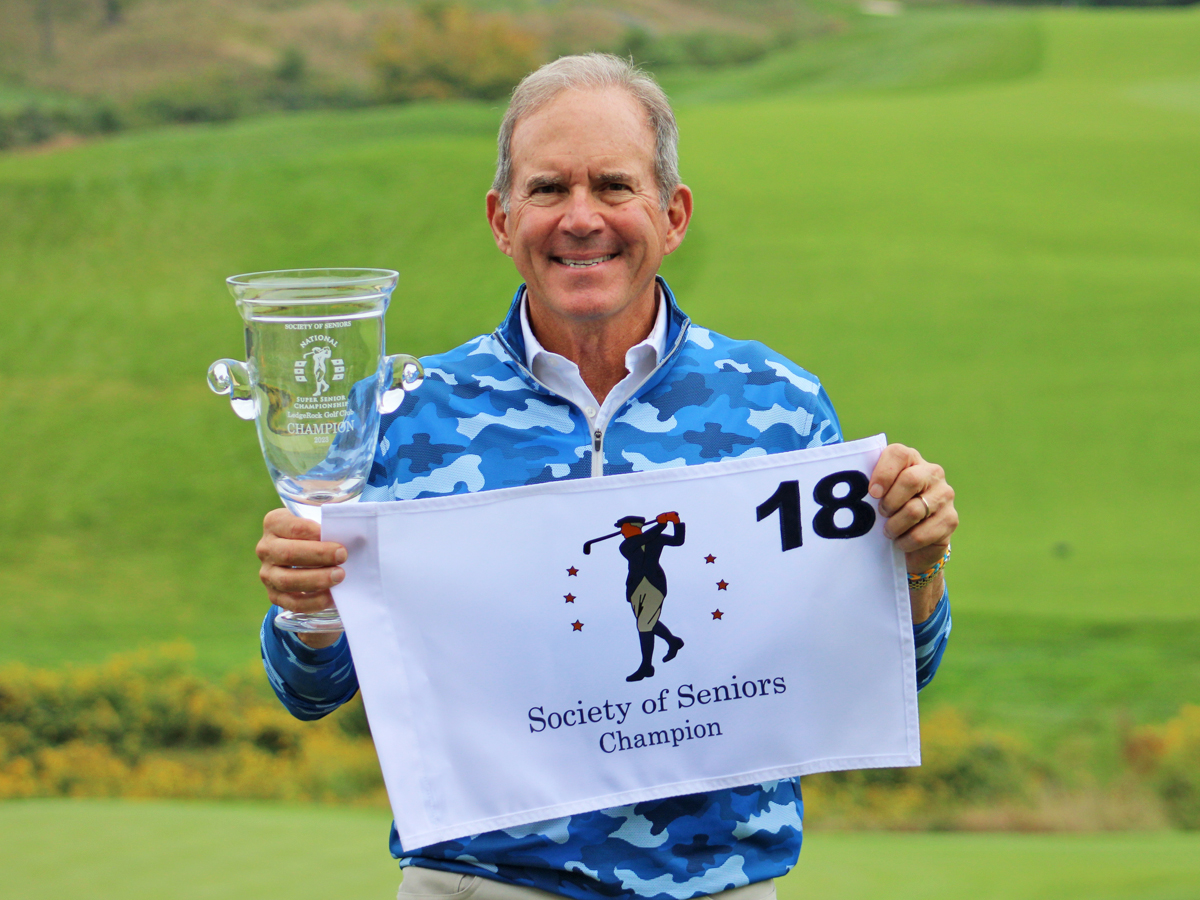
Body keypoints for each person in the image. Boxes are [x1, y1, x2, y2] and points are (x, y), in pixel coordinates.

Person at [256, 54, 957, 900]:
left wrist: (916, 565)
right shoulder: (405, 414)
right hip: (480, 885)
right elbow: (309, 690)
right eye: (548, 189)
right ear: (500, 217)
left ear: (673, 214)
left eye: (614, 186)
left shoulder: (778, 405)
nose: (580, 218)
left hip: (716, 886)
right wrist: (309, 613)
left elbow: (892, 666)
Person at [614, 512, 686, 682]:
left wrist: (676, 522)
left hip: (655, 584)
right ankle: (673, 641)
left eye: (623, 528)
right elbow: (641, 541)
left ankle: (646, 666)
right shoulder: (626, 545)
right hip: (635, 587)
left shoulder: (656, 538)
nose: (621, 532)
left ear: (632, 526)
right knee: (647, 623)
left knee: (644, 624)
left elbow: (678, 541)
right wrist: (661, 524)